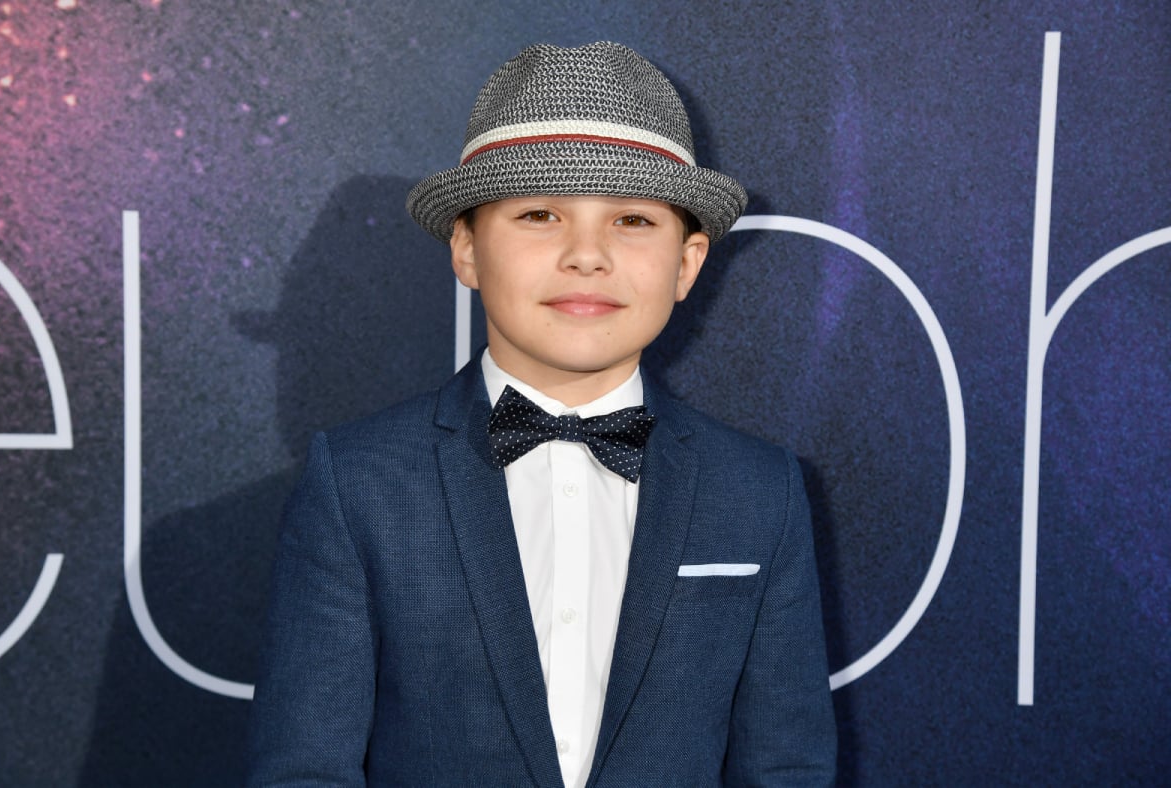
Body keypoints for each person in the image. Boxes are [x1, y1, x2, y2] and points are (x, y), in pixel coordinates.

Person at [247, 41, 836, 786]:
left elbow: (786, 767)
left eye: (631, 221)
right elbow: (305, 770)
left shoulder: (759, 490)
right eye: (539, 213)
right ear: (466, 250)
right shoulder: (359, 482)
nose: (586, 255)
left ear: (687, 264)